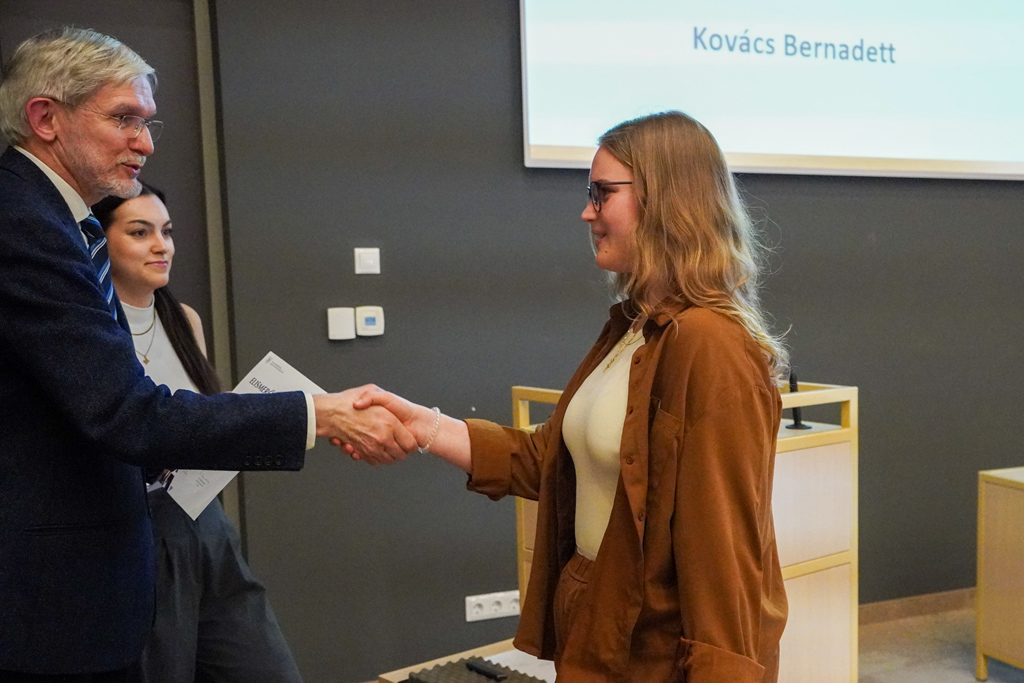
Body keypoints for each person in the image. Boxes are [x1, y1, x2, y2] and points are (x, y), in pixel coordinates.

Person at [0, 27, 414, 680]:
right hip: (52, 605)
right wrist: (320, 413)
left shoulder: (58, 222)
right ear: (46, 118)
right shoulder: (24, 222)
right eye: (124, 118)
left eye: (147, 122)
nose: (145, 142)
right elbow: (127, 413)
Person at [352, 111, 789, 682]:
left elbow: (723, 554)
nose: (587, 212)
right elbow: (551, 460)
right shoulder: (633, 327)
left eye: (602, 193)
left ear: (665, 199)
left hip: (653, 655)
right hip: (599, 623)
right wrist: (423, 427)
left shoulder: (711, 344)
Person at [93, 185, 304, 683]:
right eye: (140, 232)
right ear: (100, 242)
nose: (161, 246)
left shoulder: (183, 319)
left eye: (166, 232)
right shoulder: (94, 331)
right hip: (135, 534)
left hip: (205, 522)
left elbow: (203, 420)